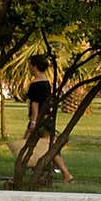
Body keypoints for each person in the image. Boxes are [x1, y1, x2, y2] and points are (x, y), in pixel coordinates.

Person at [23, 54, 74, 182]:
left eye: (29, 64)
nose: (28, 67)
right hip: (46, 118)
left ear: (34, 66)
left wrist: (33, 122)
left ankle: (65, 173)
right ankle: (36, 171)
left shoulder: (35, 84)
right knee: (35, 145)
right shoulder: (46, 82)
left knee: (35, 146)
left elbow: (35, 104)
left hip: (40, 120)